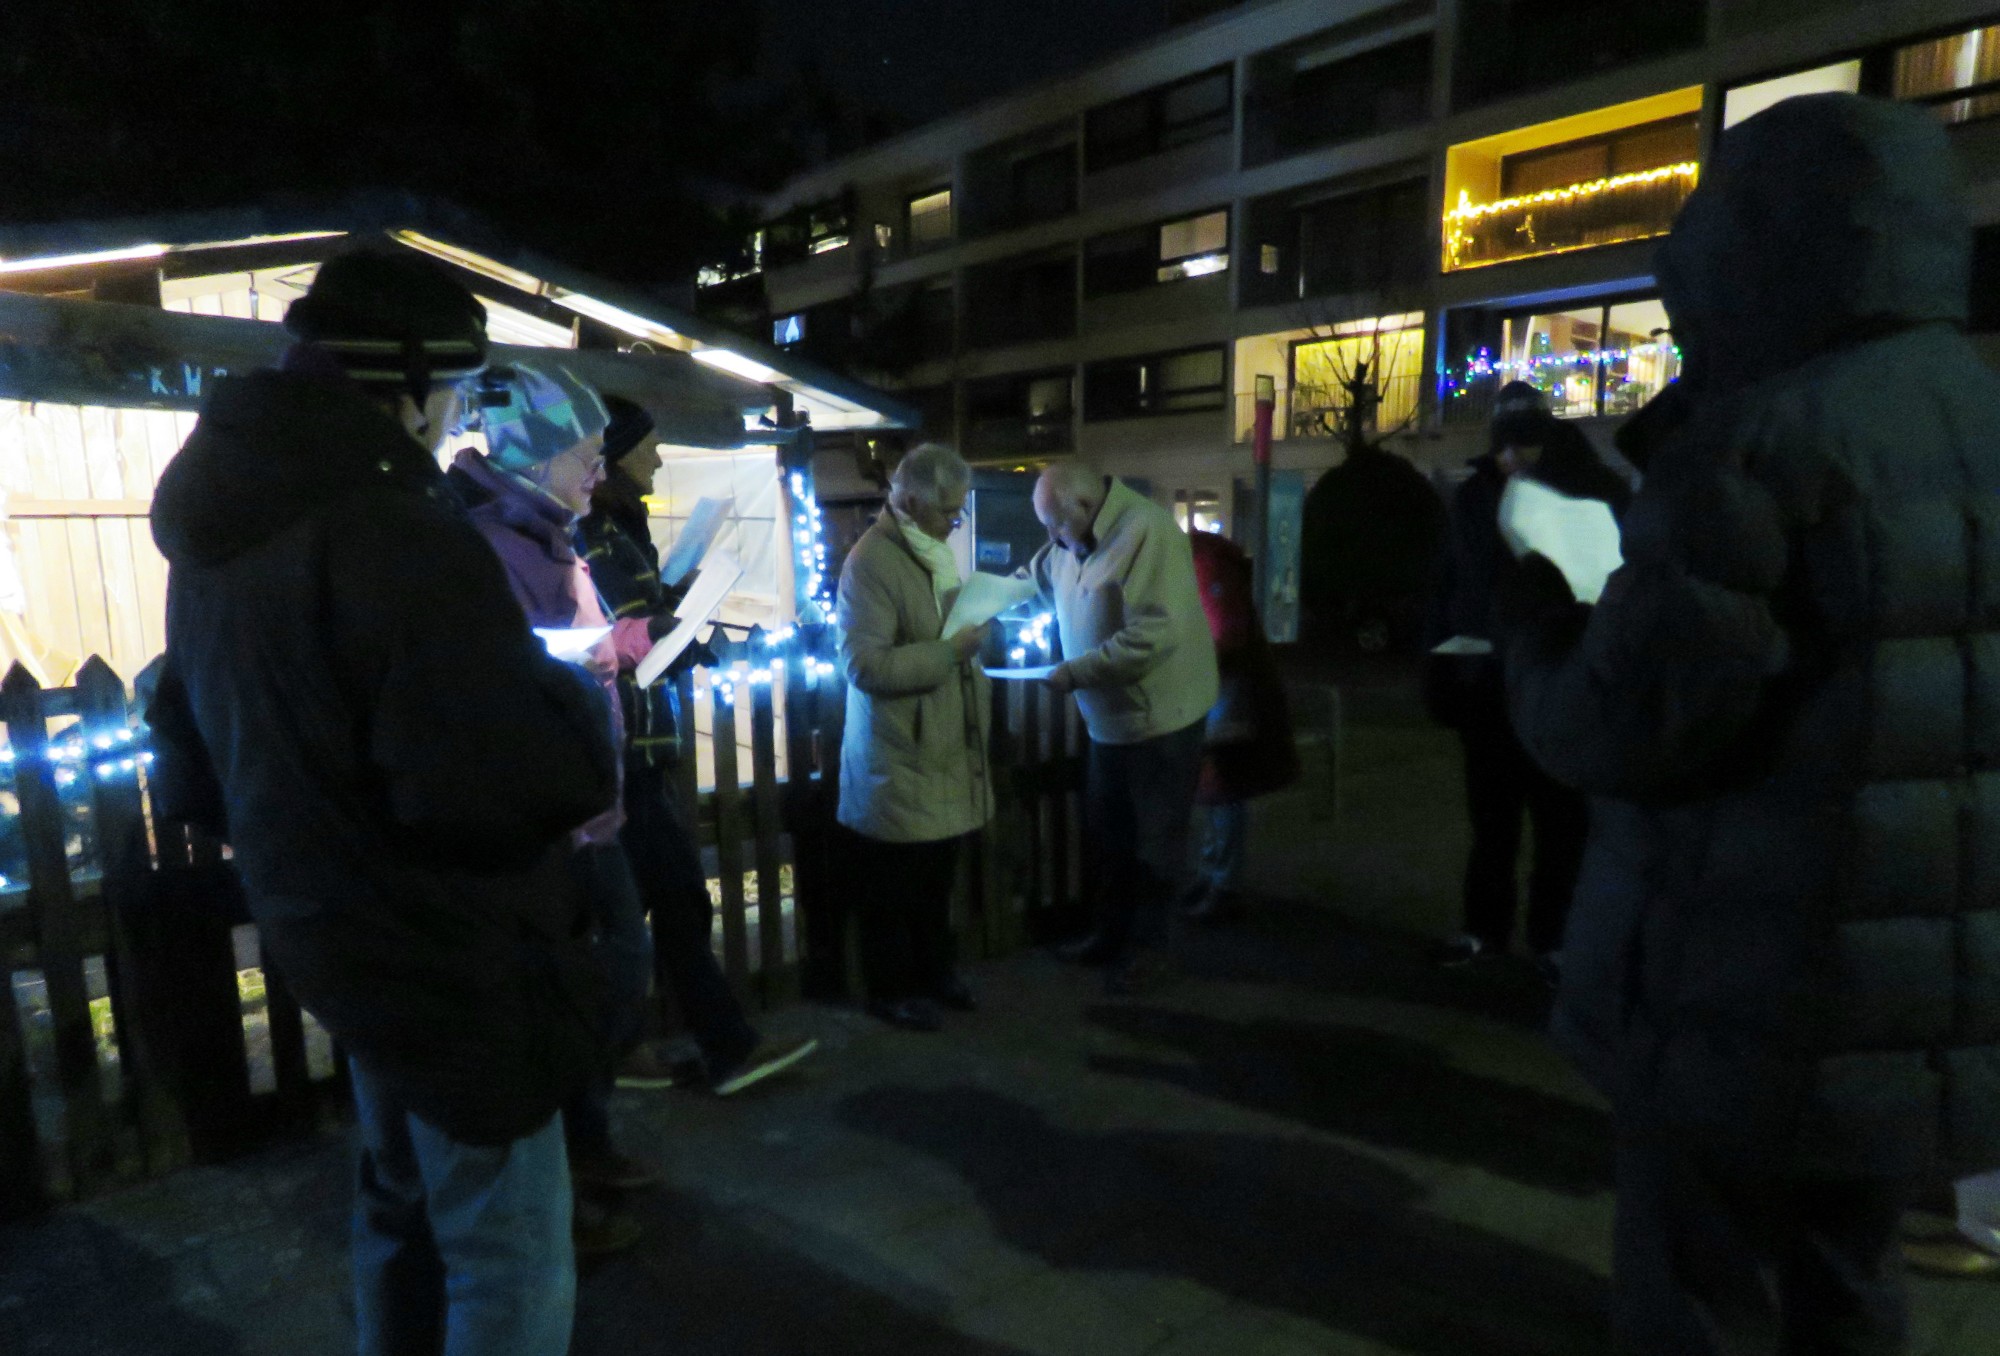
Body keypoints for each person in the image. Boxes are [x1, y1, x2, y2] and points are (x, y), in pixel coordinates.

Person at [1500, 94, 2000, 1353]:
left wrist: (1538, 634)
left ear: (1751, 249)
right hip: (1914, 1000)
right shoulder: (1980, 418)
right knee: (1849, 1270)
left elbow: (1626, 726)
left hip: (1738, 976)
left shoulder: (1765, 442)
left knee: (1697, 1293)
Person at [146, 248, 617, 1355]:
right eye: (449, 396)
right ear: (400, 385)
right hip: (448, 949)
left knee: (398, 1210)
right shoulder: (392, 531)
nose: (450, 427)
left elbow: (188, 750)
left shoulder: (226, 528)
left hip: (331, 926)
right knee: (508, 1257)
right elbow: (500, 780)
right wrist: (559, 700)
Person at [446, 362, 660, 1254]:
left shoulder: (548, 533)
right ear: (536, 460)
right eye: (584, 456)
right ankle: (567, 1174)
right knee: (585, 987)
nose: (598, 474)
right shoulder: (494, 544)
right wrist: (587, 656)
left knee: (609, 977)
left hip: (588, 807)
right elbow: (493, 672)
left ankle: (588, 1141)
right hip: (553, 821)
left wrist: (611, 645)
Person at [578, 394, 819, 1091]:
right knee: (651, 912)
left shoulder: (620, 529)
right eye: (644, 448)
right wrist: (684, 626)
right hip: (626, 751)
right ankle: (667, 1051)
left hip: (644, 746)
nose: (656, 458)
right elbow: (631, 637)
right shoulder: (594, 537)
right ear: (613, 458)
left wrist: (681, 602)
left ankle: (704, 1046)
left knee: (670, 905)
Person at [1424, 381, 1629, 981]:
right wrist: (1440, 667)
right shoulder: (1474, 498)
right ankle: (1485, 931)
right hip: (1487, 686)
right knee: (1492, 823)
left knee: (1561, 821)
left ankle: (1554, 936)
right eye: (1506, 447)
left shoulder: (1592, 490)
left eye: (1526, 446)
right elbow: (1449, 588)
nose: (1513, 458)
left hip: (1558, 679)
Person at [1033, 462, 1219, 995]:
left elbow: (1152, 636)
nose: (1053, 539)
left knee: (1155, 841)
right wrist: (997, 598)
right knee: (1111, 835)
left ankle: (1151, 947)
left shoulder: (1148, 532)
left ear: (1086, 507)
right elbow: (1044, 571)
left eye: (1057, 526)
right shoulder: (1074, 539)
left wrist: (1076, 673)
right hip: (1110, 720)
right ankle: (1110, 935)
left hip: (1160, 719)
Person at [835, 443, 994, 1031]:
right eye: (947, 511)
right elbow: (865, 667)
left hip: (941, 745)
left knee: (935, 877)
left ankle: (934, 974)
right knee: (895, 885)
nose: (956, 522)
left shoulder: (932, 551)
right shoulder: (871, 562)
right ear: (907, 501)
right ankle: (892, 989)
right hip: (901, 752)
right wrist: (952, 652)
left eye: (959, 511)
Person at [1183, 529, 1297, 924]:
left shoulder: (1204, 563)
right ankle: (1214, 875)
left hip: (1226, 692)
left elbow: (1223, 635)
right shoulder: (1206, 559)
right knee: (1217, 786)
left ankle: (1223, 884)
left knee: (1223, 786)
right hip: (1227, 688)